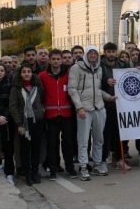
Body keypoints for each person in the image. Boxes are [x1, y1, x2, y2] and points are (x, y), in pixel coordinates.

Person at [69, 46, 112, 181]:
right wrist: (79, 107)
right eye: (90, 53)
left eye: (95, 53)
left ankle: (98, 164)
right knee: (83, 139)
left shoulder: (99, 69)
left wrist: (109, 98)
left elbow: (98, 90)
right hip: (84, 109)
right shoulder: (76, 68)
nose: (93, 55)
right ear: (86, 55)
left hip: (99, 108)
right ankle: (83, 166)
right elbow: (72, 89)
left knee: (99, 138)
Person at [40, 50, 76, 180]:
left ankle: (70, 168)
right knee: (52, 144)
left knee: (68, 143)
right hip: (50, 115)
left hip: (67, 114)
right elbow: (40, 94)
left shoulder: (69, 74)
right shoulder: (42, 76)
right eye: (53, 59)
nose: (55, 61)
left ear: (61, 60)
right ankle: (53, 170)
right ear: (49, 60)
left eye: (58, 59)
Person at [10, 65, 45, 185]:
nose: (26, 74)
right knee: (25, 150)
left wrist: (41, 111)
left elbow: (43, 100)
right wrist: (19, 124)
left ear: (32, 73)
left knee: (36, 148)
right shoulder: (16, 88)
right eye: (24, 72)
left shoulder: (38, 87)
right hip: (23, 123)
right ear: (20, 74)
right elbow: (13, 106)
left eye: (29, 71)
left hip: (37, 121)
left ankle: (35, 172)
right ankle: (27, 174)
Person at [101, 42, 130, 169]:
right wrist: (105, 81)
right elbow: (95, 83)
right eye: (109, 52)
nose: (111, 54)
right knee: (105, 134)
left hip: (120, 104)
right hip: (105, 104)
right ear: (105, 52)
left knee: (120, 133)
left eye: (113, 52)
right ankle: (103, 159)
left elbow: (131, 75)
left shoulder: (123, 65)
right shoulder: (99, 66)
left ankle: (119, 158)